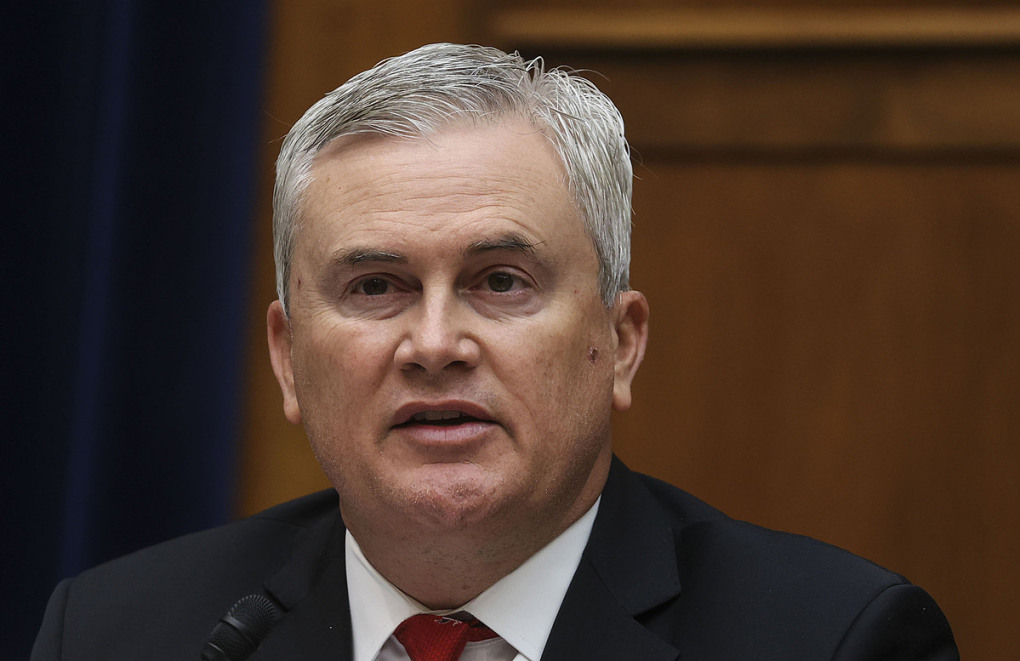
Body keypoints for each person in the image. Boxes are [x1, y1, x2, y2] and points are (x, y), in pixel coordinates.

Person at [32, 43, 958, 661]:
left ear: (619, 342)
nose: (435, 344)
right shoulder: (117, 633)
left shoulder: (831, 638)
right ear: (287, 358)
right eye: (375, 287)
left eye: (501, 281)